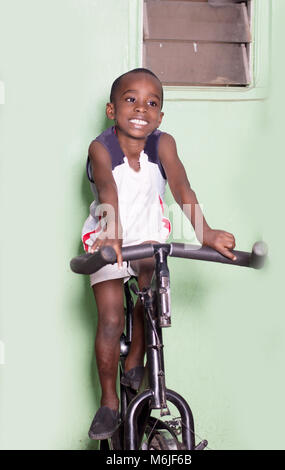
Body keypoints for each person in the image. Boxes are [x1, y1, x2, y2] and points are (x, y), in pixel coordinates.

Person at [81, 68, 236, 440]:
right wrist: (113, 233)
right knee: (110, 319)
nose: (141, 108)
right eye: (131, 99)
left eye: (152, 103)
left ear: (160, 116)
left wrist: (205, 231)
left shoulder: (163, 143)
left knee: (150, 303)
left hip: (148, 238)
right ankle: (109, 401)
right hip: (109, 235)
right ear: (111, 110)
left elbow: (182, 186)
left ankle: (136, 358)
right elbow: (107, 190)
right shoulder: (101, 148)